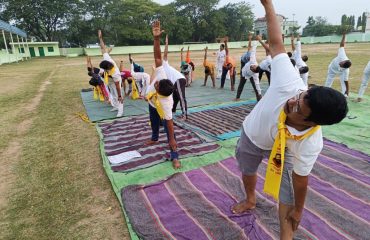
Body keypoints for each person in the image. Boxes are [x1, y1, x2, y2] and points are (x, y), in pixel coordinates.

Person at [232, 1, 348, 240]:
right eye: (300, 96)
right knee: (247, 169)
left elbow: (300, 180)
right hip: (253, 135)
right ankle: (251, 198)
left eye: (299, 108)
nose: (292, 102)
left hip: (285, 151)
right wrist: (268, 5)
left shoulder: (310, 142)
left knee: (287, 197)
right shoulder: (289, 82)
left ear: (312, 123)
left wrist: (299, 209)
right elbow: (276, 43)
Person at [149, 20, 181, 169]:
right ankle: (154, 138)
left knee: (170, 134)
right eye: (156, 83)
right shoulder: (162, 78)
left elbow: (169, 124)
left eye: (156, 86)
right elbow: (157, 57)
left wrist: (172, 140)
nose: (155, 83)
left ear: (160, 92)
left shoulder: (167, 104)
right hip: (152, 104)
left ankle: (175, 156)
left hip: (160, 108)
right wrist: (156, 39)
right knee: (153, 122)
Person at [98, 30, 124, 117]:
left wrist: (120, 95)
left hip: (115, 81)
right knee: (112, 94)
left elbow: (117, 86)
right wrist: (100, 38)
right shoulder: (107, 59)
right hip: (109, 80)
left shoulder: (115, 73)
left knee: (117, 95)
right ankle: (116, 106)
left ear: (107, 68)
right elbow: (103, 48)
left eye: (104, 69)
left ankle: (120, 110)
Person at [162, 34, 188, 119]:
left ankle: (184, 114)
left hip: (179, 80)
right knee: (175, 97)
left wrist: (166, 43)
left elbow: (165, 53)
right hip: (175, 83)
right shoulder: (160, 72)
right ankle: (172, 112)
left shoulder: (164, 64)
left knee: (181, 97)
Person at [324, 32, 352, 97]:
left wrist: (347, 91)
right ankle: (325, 94)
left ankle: (344, 96)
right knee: (328, 82)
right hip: (332, 68)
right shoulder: (342, 55)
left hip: (341, 72)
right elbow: (342, 45)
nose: (340, 63)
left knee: (343, 84)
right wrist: (344, 36)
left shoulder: (346, 71)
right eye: (341, 63)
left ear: (344, 67)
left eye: (341, 65)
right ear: (344, 61)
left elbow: (346, 81)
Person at [241, 35, 263, 101]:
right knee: (241, 84)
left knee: (255, 87)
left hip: (249, 75)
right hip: (244, 69)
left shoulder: (255, 75)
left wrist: (259, 93)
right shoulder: (252, 60)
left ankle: (259, 100)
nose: (253, 65)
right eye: (254, 65)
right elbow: (253, 50)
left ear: (254, 70)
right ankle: (237, 97)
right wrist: (257, 41)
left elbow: (257, 84)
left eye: (254, 67)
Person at [235, 32, 253, 101]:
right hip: (243, 64)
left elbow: (249, 47)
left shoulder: (251, 56)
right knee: (242, 82)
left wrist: (250, 39)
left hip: (248, 66)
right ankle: (237, 97)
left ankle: (258, 95)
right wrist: (250, 39)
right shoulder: (246, 55)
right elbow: (249, 47)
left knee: (253, 80)